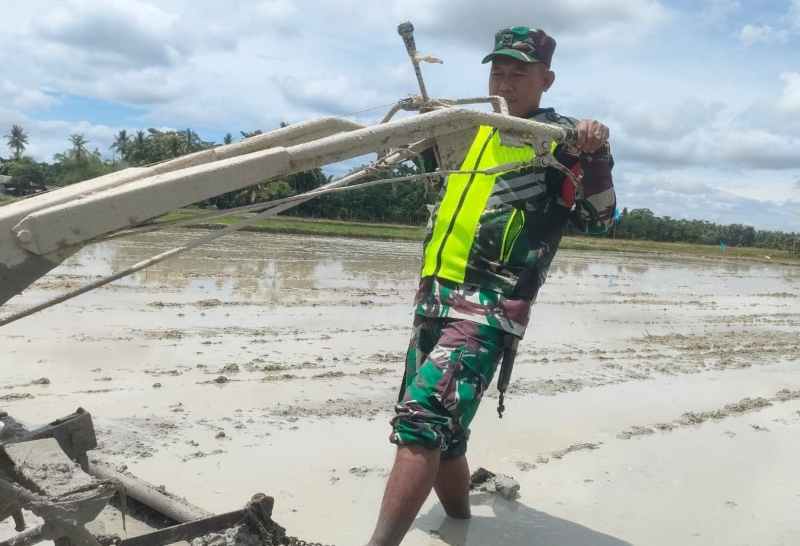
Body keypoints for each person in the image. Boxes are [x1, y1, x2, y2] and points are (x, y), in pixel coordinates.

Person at [365, 26, 616, 546]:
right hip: (434, 298)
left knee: (421, 421)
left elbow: (600, 219)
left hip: (490, 306)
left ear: (546, 79)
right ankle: (460, 524)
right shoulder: (470, 128)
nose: (505, 79)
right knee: (446, 437)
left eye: (518, 72)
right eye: (497, 70)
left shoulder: (560, 141)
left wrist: (595, 155)